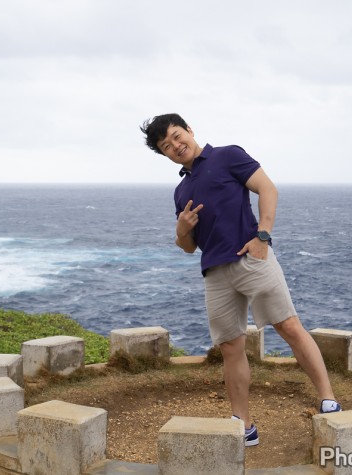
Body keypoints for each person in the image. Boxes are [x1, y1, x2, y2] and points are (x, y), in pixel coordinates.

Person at [140, 113, 341, 448]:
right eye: (166, 146)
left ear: (189, 130)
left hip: (252, 257)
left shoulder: (228, 155)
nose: (176, 146)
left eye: (177, 136)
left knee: (289, 326)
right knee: (231, 347)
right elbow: (189, 247)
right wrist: (180, 232)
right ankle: (243, 424)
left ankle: (328, 399)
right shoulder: (181, 191)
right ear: (164, 155)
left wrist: (263, 236)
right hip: (215, 273)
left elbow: (267, 188)